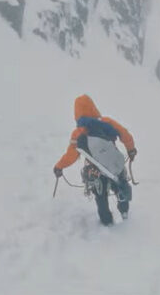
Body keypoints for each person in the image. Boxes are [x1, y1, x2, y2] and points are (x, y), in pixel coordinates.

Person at [53, 94, 137, 225]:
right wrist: (131, 149)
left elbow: (71, 155)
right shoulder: (107, 122)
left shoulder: (78, 133)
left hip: (95, 170)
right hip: (113, 163)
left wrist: (59, 166)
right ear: (93, 107)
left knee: (101, 196)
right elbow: (124, 134)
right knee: (120, 186)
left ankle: (107, 222)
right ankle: (124, 211)